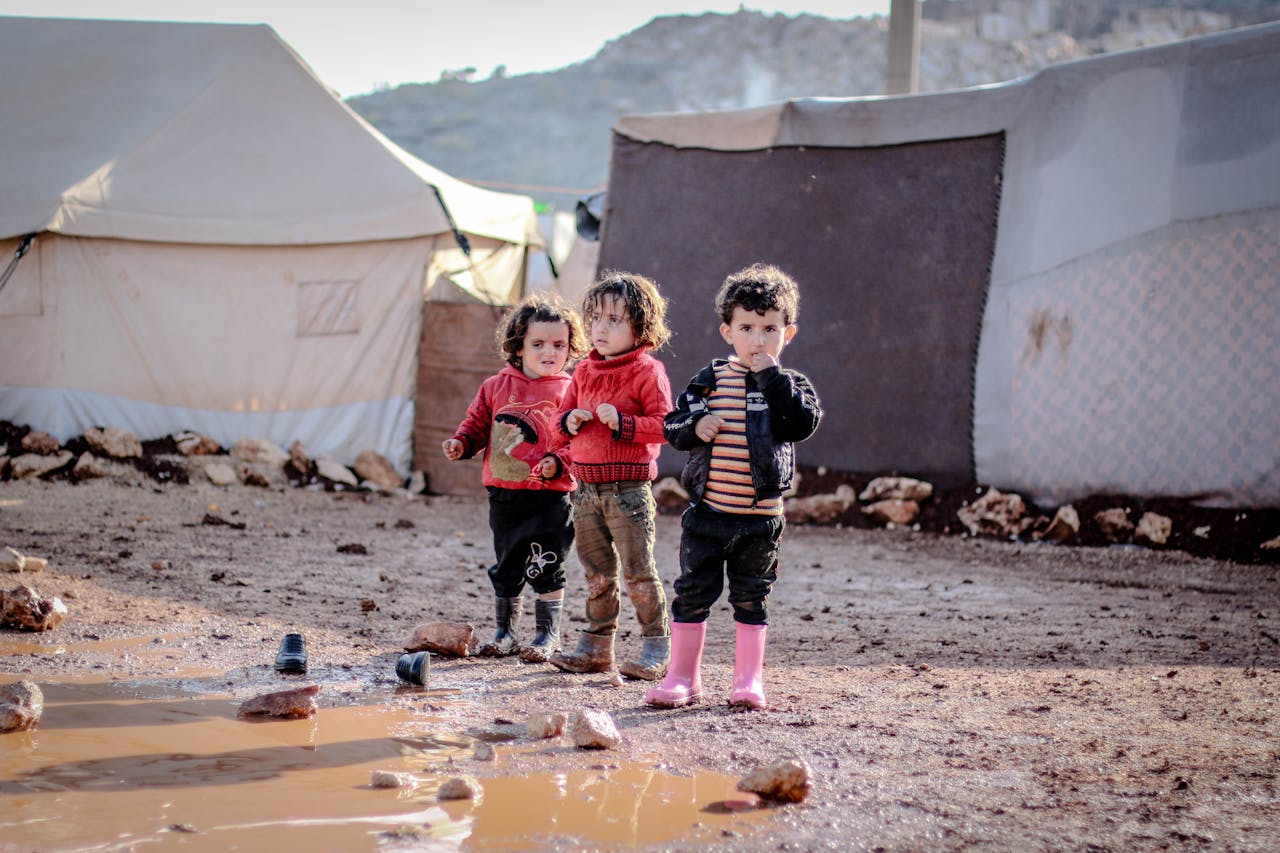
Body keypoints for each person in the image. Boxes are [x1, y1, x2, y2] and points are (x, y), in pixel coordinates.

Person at [646, 263, 822, 710]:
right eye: (746, 328)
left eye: (770, 329)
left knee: (751, 598)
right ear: (728, 332)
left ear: (788, 333)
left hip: (760, 521)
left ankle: (748, 681)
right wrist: (695, 425)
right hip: (708, 515)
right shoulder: (709, 381)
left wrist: (772, 380)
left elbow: (801, 424)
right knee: (692, 594)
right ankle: (682, 678)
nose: (758, 340)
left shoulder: (790, 386)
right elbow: (672, 425)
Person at [441, 293, 588, 662]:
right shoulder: (495, 386)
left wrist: (559, 462)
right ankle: (505, 633)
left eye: (559, 345)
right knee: (507, 563)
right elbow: (477, 424)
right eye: (538, 344)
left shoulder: (571, 390)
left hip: (550, 496)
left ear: (570, 348)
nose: (549, 352)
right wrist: (461, 443)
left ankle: (547, 635)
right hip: (504, 495)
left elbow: (580, 442)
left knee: (548, 563)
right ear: (518, 346)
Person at [548, 271, 675, 681]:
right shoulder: (584, 371)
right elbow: (555, 426)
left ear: (642, 327)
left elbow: (666, 426)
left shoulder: (647, 371)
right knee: (597, 572)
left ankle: (656, 646)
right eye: (596, 319)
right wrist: (569, 421)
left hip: (628, 491)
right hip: (585, 491)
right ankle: (596, 647)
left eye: (614, 320)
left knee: (638, 571)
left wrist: (624, 423)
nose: (600, 328)